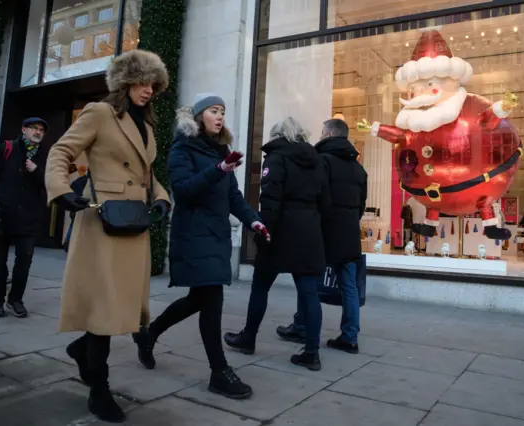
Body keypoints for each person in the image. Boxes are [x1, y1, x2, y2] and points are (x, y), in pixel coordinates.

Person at [44, 49, 171, 423]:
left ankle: (81, 350)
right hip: (101, 222)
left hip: (133, 223)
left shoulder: (146, 126)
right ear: (125, 83)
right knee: (104, 310)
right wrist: (61, 189)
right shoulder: (100, 112)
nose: (147, 90)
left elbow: (146, 176)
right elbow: (61, 151)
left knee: (121, 310)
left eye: (153, 84)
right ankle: (99, 389)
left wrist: (162, 199)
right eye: (141, 82)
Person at [131, 93, 267, 400]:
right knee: (212, 300)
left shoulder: (221, 151)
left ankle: (148, 335)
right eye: (213, 111)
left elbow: (233, 197)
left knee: (198, 300)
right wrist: (217, 169)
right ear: (198, 117)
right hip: (193, 235)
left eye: (222, 111)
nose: (219, 116)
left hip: (215, 235)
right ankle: (219, 372)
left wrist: (254, 221)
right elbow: (183, 190)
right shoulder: (183, 148)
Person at [224, 117, 330, 371]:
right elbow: (326, 202)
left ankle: (248, 337)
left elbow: (270, 201)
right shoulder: (318, 161)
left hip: (281, 231)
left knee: (261, 286)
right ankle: (312, 352)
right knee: (309, 294)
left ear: (278, 135)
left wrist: (262, 232)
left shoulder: (276, 158)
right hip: (308, 232)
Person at [272, 119, 367, 354]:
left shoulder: (321, 161)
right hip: (348, 233)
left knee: (309, 280)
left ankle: (302, 325)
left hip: (323, 230)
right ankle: (350, 337)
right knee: (349, 286)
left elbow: (315, 193)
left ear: (330, 134)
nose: (321, 135)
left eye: (323, 132)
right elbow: (361, 205)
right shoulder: (358, 168)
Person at [0, 119, 50, 318]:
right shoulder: (5, 149)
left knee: (24, 261)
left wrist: (36, 171)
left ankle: (15, 300)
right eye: (34, 128)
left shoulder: (45, 155)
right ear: (23, 130)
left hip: (29, 218)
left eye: (41, 130)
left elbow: (51, 184)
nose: (37, 132)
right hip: (1, 216)